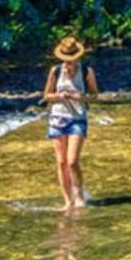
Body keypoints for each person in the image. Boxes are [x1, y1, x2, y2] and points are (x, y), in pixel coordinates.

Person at [43, 37, 99, 211]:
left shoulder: (86, 71)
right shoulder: (55, 71)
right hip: (57, 119)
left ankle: (79, 197)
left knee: (72, 161)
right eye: (66, 58)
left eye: (72, 58)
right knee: (61, 162)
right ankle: (68, 201)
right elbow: (47, 95)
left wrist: (80, 97)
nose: (68, 62)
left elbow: (95, 96)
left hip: (77, 118)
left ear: (78, 56)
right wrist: (60, 96)